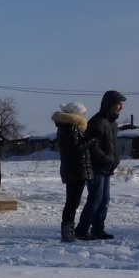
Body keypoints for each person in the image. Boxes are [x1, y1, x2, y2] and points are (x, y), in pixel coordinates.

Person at [77, 90, 125, 240]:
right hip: (96, 167)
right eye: (118, 104)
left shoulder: (113, 123)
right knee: (95, 199)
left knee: (105, 200)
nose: (121, 107)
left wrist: (114, 159)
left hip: (107, 167)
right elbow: (92, 146)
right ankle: (82, 230)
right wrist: (106, 159)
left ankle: (98, 229)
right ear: (109, 104)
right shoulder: (97, 121)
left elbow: (111, 145)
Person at [53, 102, 93, 243]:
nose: (84, 115)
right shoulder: (70, 127)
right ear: (75, 114)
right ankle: (67, 233)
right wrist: (90, 140)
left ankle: (68, 231)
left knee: (72, 202)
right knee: (72, 202)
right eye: (82, 113)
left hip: (75, 168)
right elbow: (74, 149)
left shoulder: (68, 127)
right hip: (75, 169)